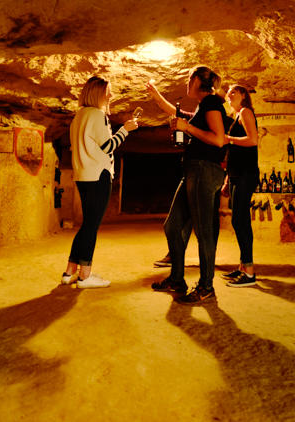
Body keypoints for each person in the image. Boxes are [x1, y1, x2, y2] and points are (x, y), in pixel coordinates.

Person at [147, 66, 226, 304]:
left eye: (187, 79)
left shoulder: (212, 103)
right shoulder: (204, 106)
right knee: (172, 226)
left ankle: (206, 286)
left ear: (196, 80)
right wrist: (157, 97)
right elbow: (181, 115)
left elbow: (219, 139)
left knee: (203, 232)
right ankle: (177, 279)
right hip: (193, 170)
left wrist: (187, 128)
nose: (185, 83)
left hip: (204, 170)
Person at [61, 76, 138, 288]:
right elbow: (108, 146)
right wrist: (125, 130)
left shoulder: (79, 116)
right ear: (98, 93)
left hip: (83, 176)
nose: (111, 95)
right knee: (91, 227)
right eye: (108, 91)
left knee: (87, 225)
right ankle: (85, 275)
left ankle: (70, 271)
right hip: (98, 175)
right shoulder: (96, 115)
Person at [220, 85, 259, 287]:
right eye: (228, 93)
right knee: (238, 221)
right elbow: (234, 154)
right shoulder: (236, 117)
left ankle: (250, 273)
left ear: (244, 95)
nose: (229, 95)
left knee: (240, 221)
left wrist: (229, 139)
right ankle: (243, 267)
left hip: (246, 174)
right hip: (236, 174)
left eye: (233, 92)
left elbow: (252, 140)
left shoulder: (245, 112)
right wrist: (228, 178)